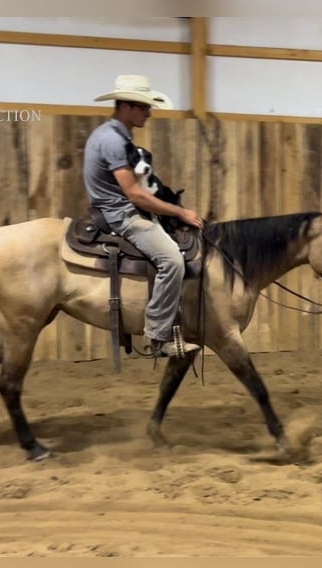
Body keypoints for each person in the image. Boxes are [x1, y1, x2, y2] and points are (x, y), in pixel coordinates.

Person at [83, 74, 203, 358]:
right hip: (122, 214)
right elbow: (135, 194)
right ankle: (159, 337)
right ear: (126, 106)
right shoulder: (113, 141)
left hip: (117, 208)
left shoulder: (113, 135)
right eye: (144, 107)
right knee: (172, 260)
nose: (149, 112)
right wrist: (181, 211)